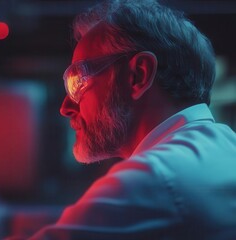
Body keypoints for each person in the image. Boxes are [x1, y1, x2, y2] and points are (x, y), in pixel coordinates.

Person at [28, 0, 236, 239]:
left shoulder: (152, 179)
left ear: (139, 75)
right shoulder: (227, 147)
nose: (66, 107)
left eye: (79, 81)